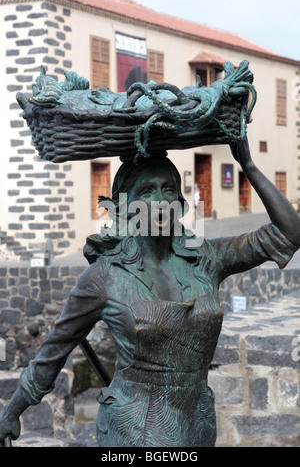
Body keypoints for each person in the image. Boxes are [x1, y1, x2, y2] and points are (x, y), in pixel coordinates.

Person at [0, 139, 299, 447]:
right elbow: (53, 351)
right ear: (126, 206)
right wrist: (11, 413)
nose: (160, 200)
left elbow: (288, 233)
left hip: (197, 421)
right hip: (134, 429)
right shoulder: (104, 276)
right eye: (146, 191)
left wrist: (248, 164)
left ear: (180, 202)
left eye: (169, 189)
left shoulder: (206, 257)